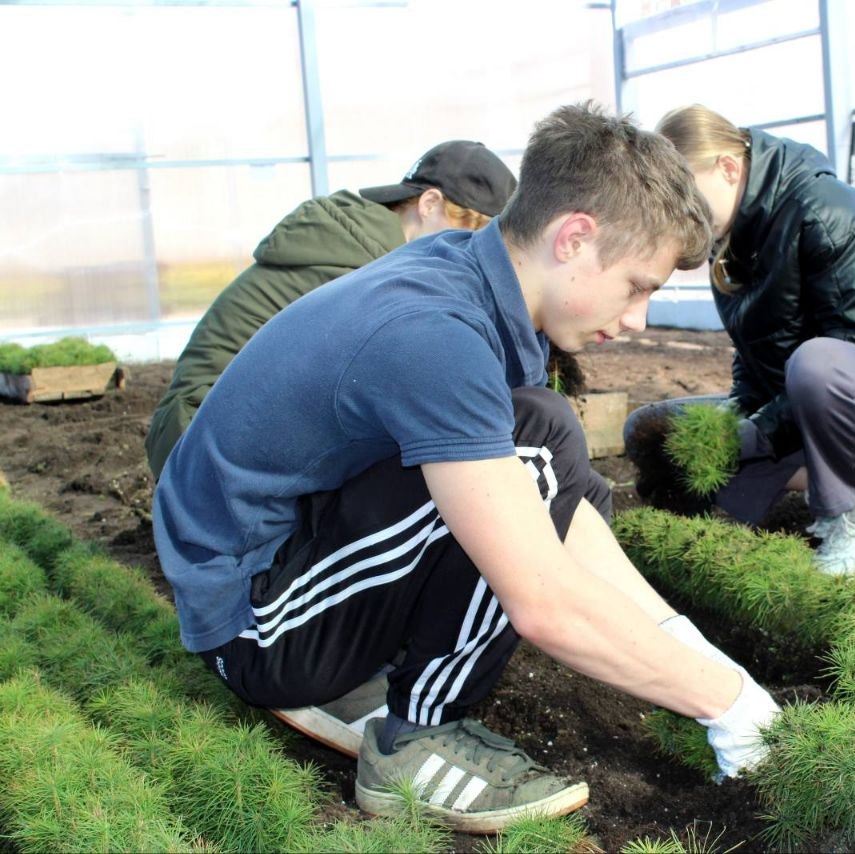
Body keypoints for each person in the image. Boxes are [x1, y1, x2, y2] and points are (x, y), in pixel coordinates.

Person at [151, 102, 780, 834]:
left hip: (284, 554)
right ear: (575, 238)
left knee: (543, 431)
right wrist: (727, 704)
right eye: (638, 285)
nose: (638, 318)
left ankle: (362, 676)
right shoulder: (436, 337)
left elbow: (563, 513)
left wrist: (679, 641)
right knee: (530, 451)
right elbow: (542, 600)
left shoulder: (460, 273)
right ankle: (413, 735)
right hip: (253, 624)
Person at [625, 103, 855, 580]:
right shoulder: (732, 242)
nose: (681, 217)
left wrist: (762, 432)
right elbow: (754, 357)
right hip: (819, 411)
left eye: (685, 196)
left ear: (728, 168)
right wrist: (743, 416)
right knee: (653, 429)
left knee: (819, 364)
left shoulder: (828, 211)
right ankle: (837, 487)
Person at [144, 140, 518, 479]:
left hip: (212, 436)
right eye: (469, 233)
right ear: (429, 205)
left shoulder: (356, 242)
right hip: (200, 454)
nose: (468, 253)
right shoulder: (365, 268)